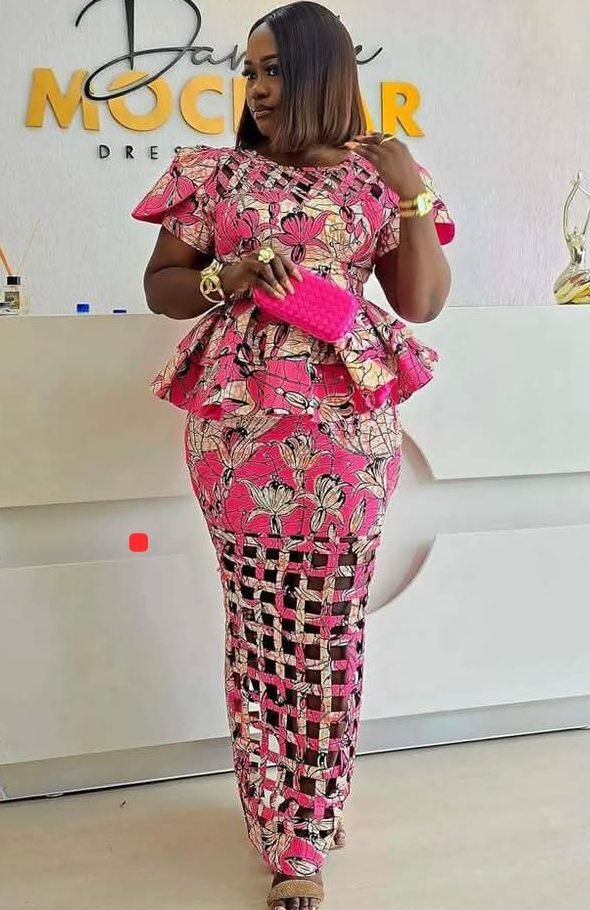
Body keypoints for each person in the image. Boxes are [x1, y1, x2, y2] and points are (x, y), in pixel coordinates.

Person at [132, 2, 455, 906]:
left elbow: (421, 303)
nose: (257, 88)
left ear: (324, 70)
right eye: (250, 71)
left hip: (349, 431)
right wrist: (227, 275)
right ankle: (286, 826)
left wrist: (411, 189)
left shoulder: (377, 177)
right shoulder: (214, 173)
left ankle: (312, 807)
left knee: (330, 622)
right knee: (260, 622)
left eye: (273, 69)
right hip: (237, 431)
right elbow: (161, 286)